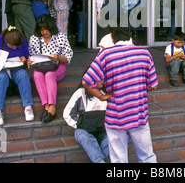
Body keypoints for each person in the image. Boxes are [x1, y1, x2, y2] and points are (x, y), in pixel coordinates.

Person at [82, 26, 158, 163]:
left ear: (111, 36)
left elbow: (86, 81)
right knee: (147, 156)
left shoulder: (106, 54)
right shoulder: (144, 53)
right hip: (139, 113)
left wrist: (101, 96)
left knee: (118, 159)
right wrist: (138, 90)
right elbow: (153, 85)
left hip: (115, 115)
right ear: (129, 34)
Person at [0, 26, 35, 126]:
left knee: (23, 74)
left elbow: (26, 57)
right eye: (12, 46)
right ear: (6, 40)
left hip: (14, 69)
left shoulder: (22, 40)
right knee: (2, 77)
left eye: (17, 46)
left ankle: (28, 107)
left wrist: (24, 60)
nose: (15, 48)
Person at [28, 15, 73, 123]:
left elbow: (68, 57)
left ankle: (52, 107)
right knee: (37, 75)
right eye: (41, 29)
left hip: (58, 66)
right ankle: (46, 106)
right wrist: (30, 60)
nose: (44, 32)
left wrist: (58, 57)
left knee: (49, 75)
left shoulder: (60, 37)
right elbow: (31, 55)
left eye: (46, 29)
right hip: (41, 66)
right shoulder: (34, 38)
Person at [63, 82, 109, 163]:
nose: (101, 81)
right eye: (99, 78)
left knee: (112, 137)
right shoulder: (80, 93)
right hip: (85, 130)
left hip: (102, 132)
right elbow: (67, 113)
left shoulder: (105, 93)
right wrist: (81, 124)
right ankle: (100, 161)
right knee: (82, 135)